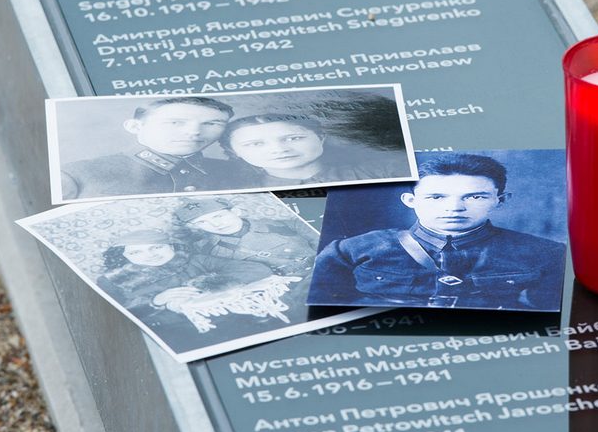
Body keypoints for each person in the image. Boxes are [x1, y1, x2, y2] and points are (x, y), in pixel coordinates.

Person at [309, 153, 565, 310]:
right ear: (410, 201)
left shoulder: (547, 255)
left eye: (475, 196)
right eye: (436, 197)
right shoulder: (351, 250)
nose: (454, 208)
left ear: (500, 200)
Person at [60, 96, 249, 199]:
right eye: (175, 122)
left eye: (212, 124)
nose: (194, 132)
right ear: (135, 126)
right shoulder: (74, 175)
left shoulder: (237, 172)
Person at [94, 228, 272, 314]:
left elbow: (257, 269)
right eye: (136, 252)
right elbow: (115, 318)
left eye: (157, 247)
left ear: (171, 246)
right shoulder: (112, 280)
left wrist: (207, 287)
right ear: (125, 257)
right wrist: (156, 301)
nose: (150, 255)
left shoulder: (194, 260)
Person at [219, 114, 409, 187]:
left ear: (321, 137)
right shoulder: (246, 191)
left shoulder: (384, 171)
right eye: (256, 144)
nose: (279, 149)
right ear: (235, 152)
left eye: (293, 138)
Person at [175, 198, 314, 275]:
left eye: (219, 216)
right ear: (195, 227)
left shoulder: (283, 223)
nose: (216, 224)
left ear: (236, 211)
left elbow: (323, 240)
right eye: (202, 222)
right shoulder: (205, 250)